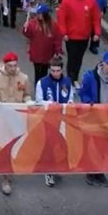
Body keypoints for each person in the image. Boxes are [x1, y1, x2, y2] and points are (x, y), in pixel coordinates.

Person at [77, 51, 108, 187]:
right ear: (102, 63)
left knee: (104, 145)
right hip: (93, 116)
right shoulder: (90, 76)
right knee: (92, 144)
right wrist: (89, 103)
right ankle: (90, 171)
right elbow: (83, 93)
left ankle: (99, 171)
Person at [0, 52, 31, 196]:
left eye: (15, 65)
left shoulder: (24, 78)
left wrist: (28, 101)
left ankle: (10, 169)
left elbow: (27, 95)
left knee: (15, 146)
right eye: (10, 66)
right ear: (5, 65)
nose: (12, 68)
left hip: (17, 117)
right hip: (2, 118)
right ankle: (5, 178)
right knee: (4, 147)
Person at [33, 57, 73, 186]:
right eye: (53, 70)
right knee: (50, 145)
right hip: (48, 119)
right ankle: (48, 171)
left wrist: (70, 103)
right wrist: (51, 104)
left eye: (58, 70)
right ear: (50, 70)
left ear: (62, 70)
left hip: (63, 118)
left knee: (62, 144)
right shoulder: (42, 82)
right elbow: (38, 101)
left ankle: (58, 166)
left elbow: (70, 97)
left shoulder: (67, 82)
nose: (55, 73)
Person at [57, 0, 102, 87]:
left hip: (84, 37)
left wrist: (97, 33)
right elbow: (61, 18)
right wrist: (64, 33)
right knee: (72, 58)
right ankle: (70, 79)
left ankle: (75, 78)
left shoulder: (91, 1)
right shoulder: (67, 1)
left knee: (79, 58)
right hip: (71, 37)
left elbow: (96, 19)